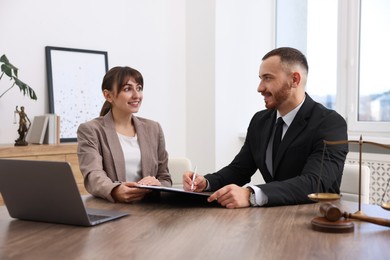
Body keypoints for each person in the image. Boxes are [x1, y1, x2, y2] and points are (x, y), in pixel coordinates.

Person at [183, 47, 348, 208]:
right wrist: (206, 182)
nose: (260, 88)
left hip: (312, 221)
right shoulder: (260, 121)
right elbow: (239, 170)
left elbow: (315, 183)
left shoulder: (330, 123)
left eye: (267, 78)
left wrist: (251, 194)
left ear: (294, 80)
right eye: (260, 78)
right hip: (271, 219)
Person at [77, 66, 172, 203]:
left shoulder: (153, 129)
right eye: (127, 89)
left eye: (139, 88)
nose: (136, 95)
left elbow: (165, 178)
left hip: (151, 209)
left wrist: (156, 185)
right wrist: (115, 190)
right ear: (108, 95)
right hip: (113, 207)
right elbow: (93, 175)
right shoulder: (91, 130)